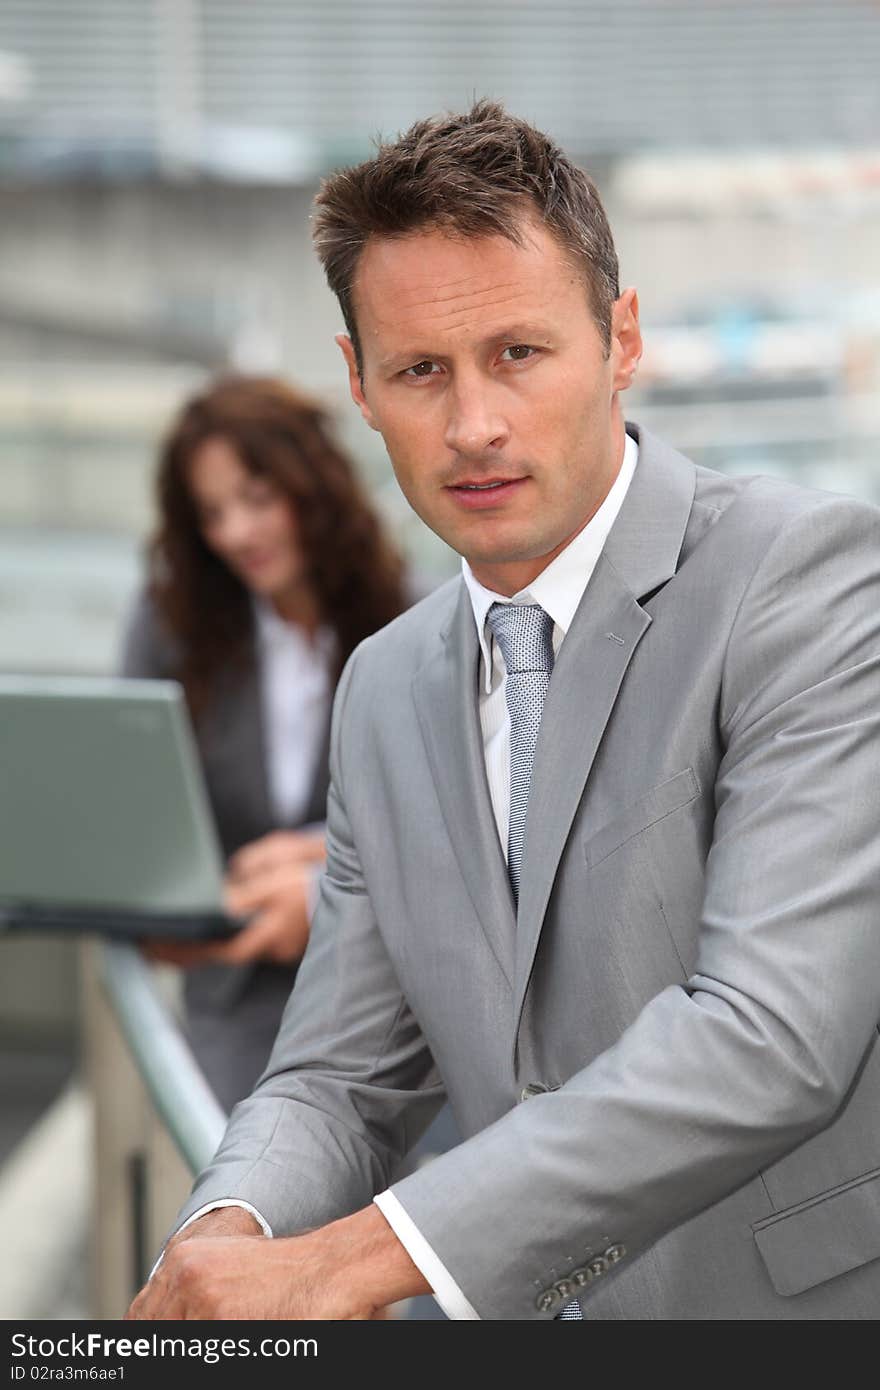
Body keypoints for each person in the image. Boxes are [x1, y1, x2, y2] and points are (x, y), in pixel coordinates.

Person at [128, 101, 880, 1321]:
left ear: (621, 339)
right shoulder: (382, 686)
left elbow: (769, 1033)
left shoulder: (805, 577)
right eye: (421, 369)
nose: (472, 425)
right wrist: (227, 1236)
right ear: (358, 383)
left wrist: (352, 1258)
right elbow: (338, 1075)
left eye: (518, 354)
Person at [121, 375, 407, 1111]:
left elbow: (442, 814)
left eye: (256, 497)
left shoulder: (414, 619)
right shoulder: (173, 627)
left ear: (311, 485)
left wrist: (318, 861)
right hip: (232, 985)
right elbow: (140, 809)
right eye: (212, 512)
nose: (237, 533)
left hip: (381, 986)